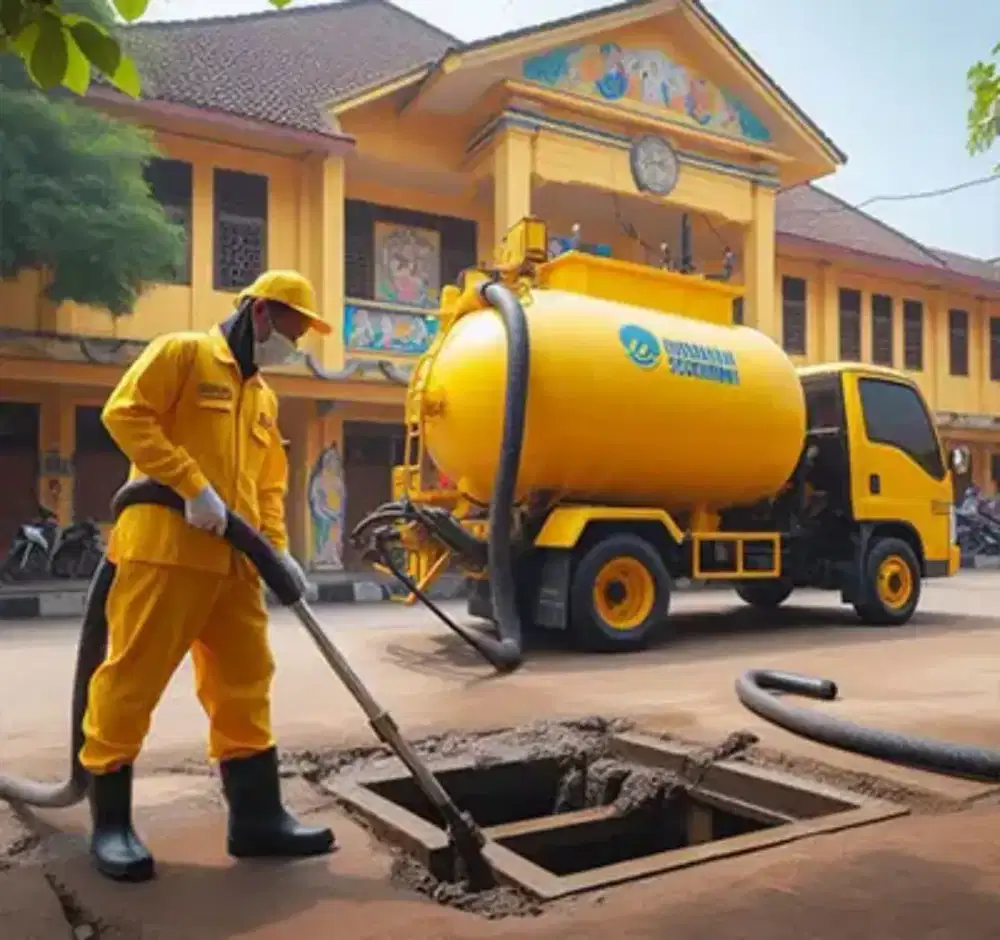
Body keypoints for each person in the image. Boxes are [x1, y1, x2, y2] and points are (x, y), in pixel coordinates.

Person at [82, 270, 335, 883]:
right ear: (261, 315)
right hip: (165, 552)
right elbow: (124, 415)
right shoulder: (184, 353)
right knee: (131, 680)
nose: (294, 346)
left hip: (236, 568)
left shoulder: (264, 397)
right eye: (293, 331)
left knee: (245, 684)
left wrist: (276, 552)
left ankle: (256, 820)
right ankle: (110, 825)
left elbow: (267, 486)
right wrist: (191, 485)